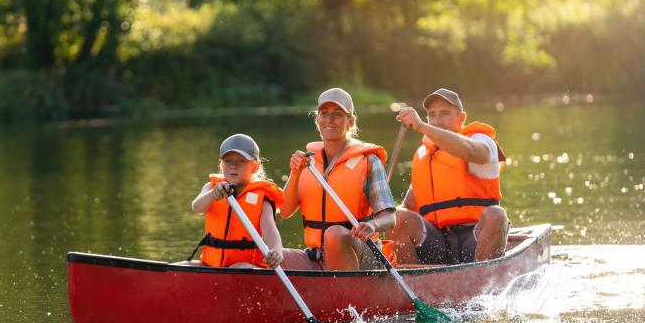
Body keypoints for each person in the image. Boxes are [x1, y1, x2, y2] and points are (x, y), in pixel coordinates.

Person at [387, 88, 509, 264]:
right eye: (432, 115)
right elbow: (407, 207)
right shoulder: (424, 154)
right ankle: (410, 281)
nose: (437, 121)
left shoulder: (481, 140)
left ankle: (483, 281)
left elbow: (472, 151)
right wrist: (378, 223)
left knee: (496, 215)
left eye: (444, 113)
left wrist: (421, 126)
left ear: (461, 118)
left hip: (475, 238)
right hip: (436, 242)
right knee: (397, 216)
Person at [280, 87, 397, 271]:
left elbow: (389, 217)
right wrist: (295, 173)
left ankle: (349, 298)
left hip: (363, 253)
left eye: (337, 114)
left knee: (334, 234)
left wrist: (373, 225)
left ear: (350, 121)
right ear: (317, 119)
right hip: (316, 255)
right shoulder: (307, 161)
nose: (329, 120)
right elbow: (285, 211)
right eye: (324, 113)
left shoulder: (369, 160)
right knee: (274, 255)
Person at [190, 134, 285, 268]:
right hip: (210, 265)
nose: (234, 166)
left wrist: (276, 251)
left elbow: (270, 231)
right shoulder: (211, 187)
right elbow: (197, 208)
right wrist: (212, 194)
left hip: (246, 266)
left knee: (240, 267)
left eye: (241, 161)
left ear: (255, 166)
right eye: (228, 161)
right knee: (181, 267)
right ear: (221, 164)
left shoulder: (262, 198)